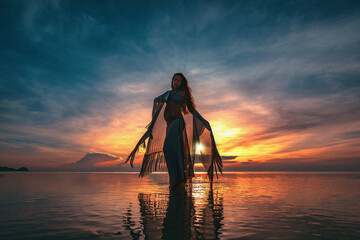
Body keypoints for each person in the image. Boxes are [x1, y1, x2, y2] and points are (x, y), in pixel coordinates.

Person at [124, 73, 222, 188]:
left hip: (177, 122)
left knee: (167, 148)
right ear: (172, 81)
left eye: (179, 80)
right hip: (169, 124)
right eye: (175, 79)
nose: (177, 82)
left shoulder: (182, 93)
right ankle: (176, 179)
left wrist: (204, 121)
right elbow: (156, 100)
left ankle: (176, 179)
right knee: (175, 152)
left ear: (182, 83)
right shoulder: (169, 94)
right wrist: (159, 101)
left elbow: (192, 111)